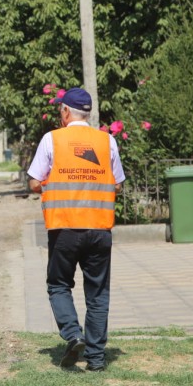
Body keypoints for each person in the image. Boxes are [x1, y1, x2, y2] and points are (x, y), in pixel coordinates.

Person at [27, 87, 125, 371]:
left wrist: (48, 183)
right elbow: (117, 183)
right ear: (89, 113)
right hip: (99, 229)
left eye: (61, 109)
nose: (60, 112)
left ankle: (72, 334)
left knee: (58, 285)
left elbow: (34, 181)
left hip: (64, 228)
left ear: (66, 111)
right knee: (97, 294)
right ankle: (95, 359)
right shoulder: (106, 141)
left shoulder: (51, 140)